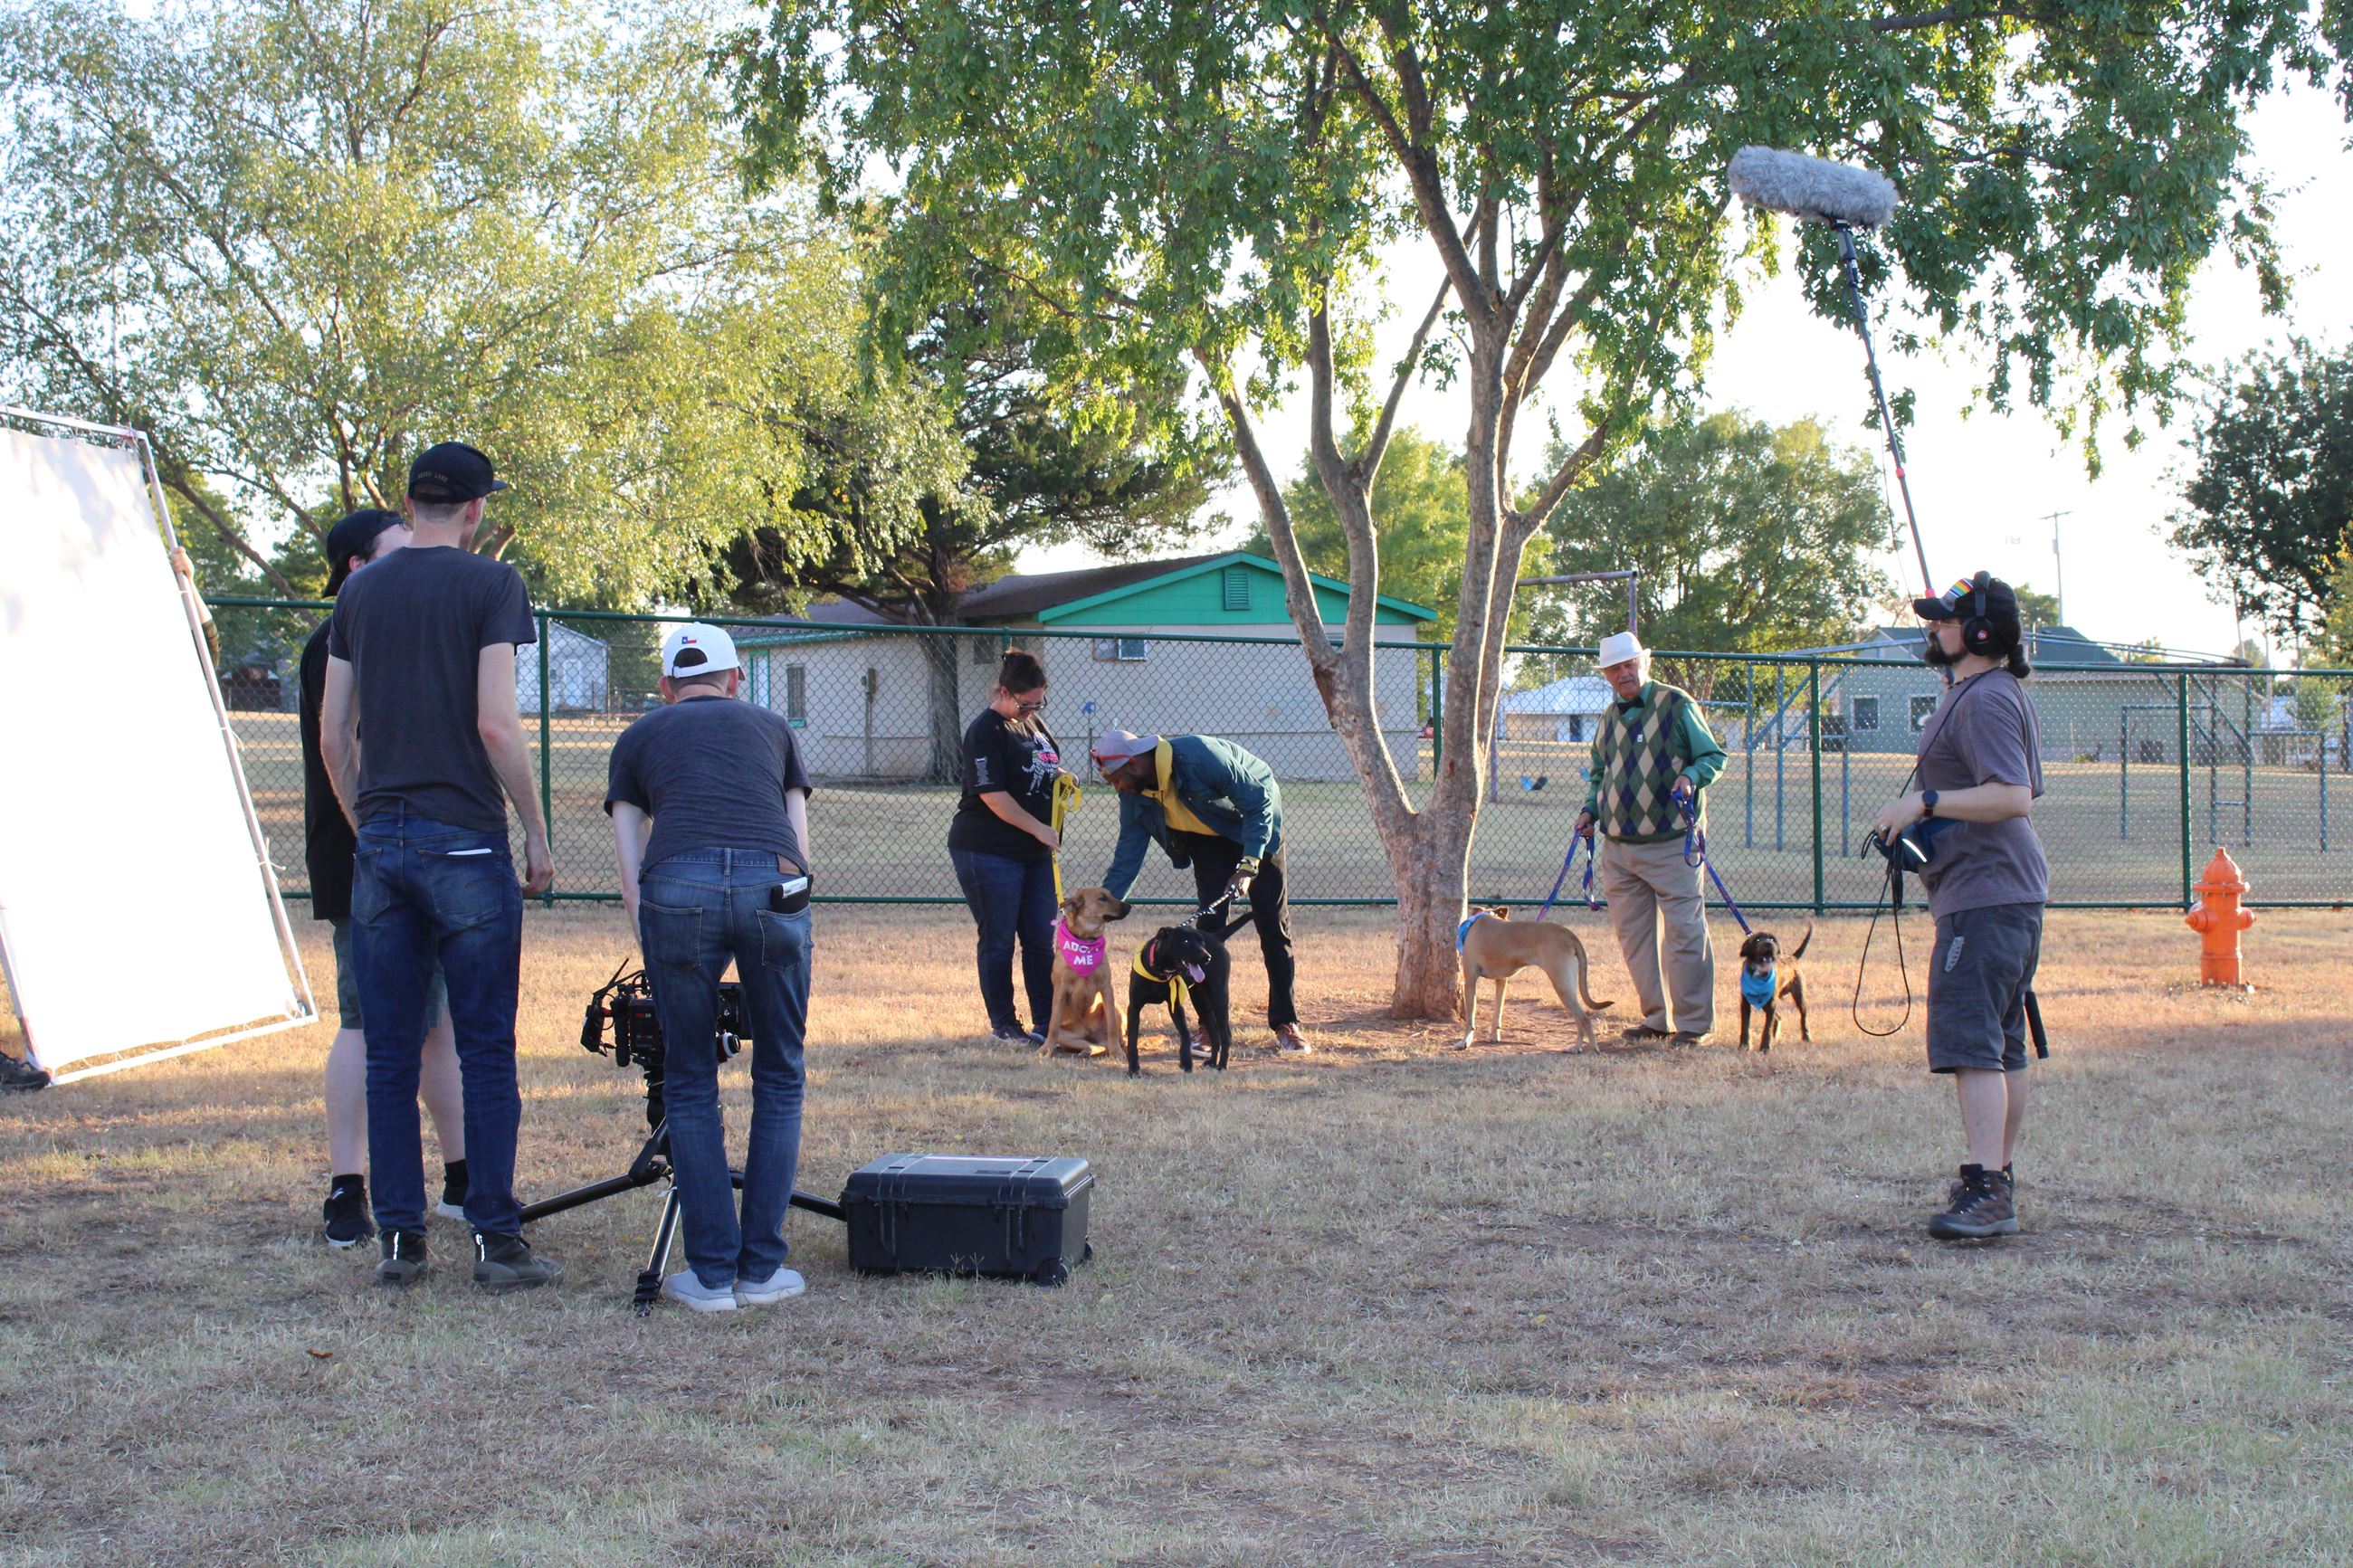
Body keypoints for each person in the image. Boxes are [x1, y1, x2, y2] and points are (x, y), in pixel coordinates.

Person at [320, 441, 559, 1292]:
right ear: (476, 509)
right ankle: (496, 1239)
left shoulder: (358, 592)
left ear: (411, 501)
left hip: (383, 845)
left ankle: (400, 1241)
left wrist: (368, 823)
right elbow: (497, 723)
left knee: (389, 1049)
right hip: (465, 841)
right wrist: (535, 828)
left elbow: (332, 734)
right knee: (485, 1048)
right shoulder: (493, 585)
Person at [607, 623, 814, 1312]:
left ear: (666, 687)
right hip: (772, 887)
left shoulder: (639, 735)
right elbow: (799, 845)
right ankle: (762, 1269)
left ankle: (711, 1272)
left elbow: (631, 864)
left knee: (691, 1077)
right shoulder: (772, 728)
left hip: (675, 888)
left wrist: (654, 932)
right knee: (779, 1072)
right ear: (734, 680)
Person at [300, 508, 467, 1248]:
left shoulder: (384, 627)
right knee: (365, 1022)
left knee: (436, 1020)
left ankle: (462, 1178)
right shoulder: (338, 636)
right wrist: (379, 837)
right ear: (356, 567)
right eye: (397, 553)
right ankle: (347, 1190)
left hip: (414, 853)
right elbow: (343, 744)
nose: (413, 564)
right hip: (366, 862)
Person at [1870, 572, 2047, 1241]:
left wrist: (1925, 802)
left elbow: (2013, 796)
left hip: (1987, 894)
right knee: (2000, 1043)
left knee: (1974, 1045)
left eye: (1945, 620)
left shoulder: (1986, 700)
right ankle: (1994, 1175)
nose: (1933, 628)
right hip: (1998, 891)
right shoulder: (1980, 692)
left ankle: (1988, 1190)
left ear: (1978, 632)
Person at [1092, 728, 1308, 1054]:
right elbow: (1127, 857)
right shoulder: (1134, 795)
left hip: (1257, 827)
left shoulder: (1201, 757)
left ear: (1133, 763)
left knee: (1272, 926)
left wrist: (1249, 863)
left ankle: (1286, 1023)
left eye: (1115, 779)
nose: (1116, 788)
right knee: (1205, 934)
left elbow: (1258, 801)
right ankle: (1209, 1027)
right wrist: (1102, 908)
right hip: (1206, 838)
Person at [1571, 631, 1729, 1046]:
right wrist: (1590, 810)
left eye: (1630, 664)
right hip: (1618, 847)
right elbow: (1599, 773)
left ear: (1645, 662)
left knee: (1685, 935)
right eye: (1614, 668)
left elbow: (1713, 756)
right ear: (1606, 674)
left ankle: (1694, 1025)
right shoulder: (1609, 718)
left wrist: (1691, 777)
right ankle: (1656, 1019)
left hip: (1672, 843)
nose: (1623, 673)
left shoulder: (1677, 704)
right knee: (1635, 940)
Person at [948, 649, 1063, 1043]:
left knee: (1040, 939)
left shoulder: (1032, 723)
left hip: (1033, 851)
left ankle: (1047, 1023)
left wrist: (1062, 777)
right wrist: (1039, 829)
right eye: (1025, 704)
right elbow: (993, 795)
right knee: (999, 939)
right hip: (987, 848)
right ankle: (1005, 1025)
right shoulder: (985, 731)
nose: (1032, 711)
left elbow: (1042, 765)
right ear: (1004, 692)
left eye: (1038, 704)